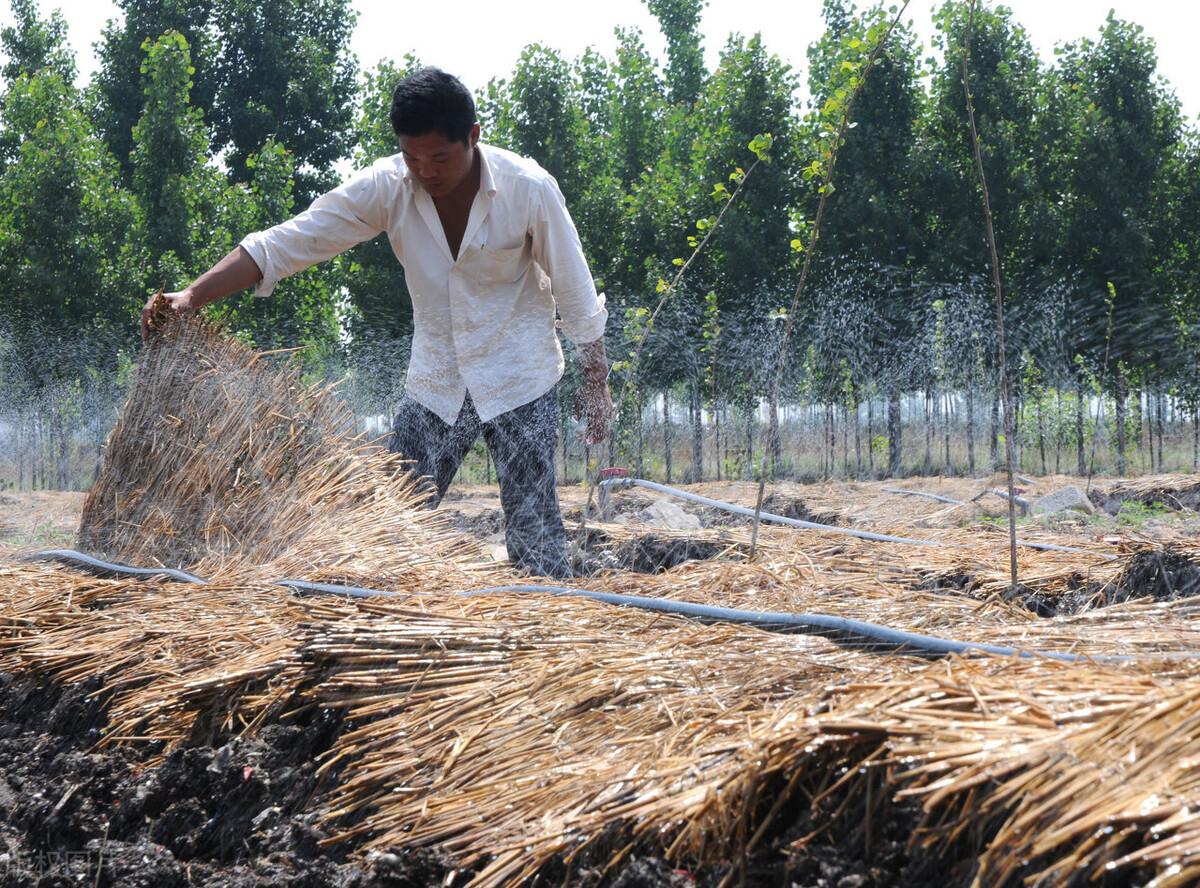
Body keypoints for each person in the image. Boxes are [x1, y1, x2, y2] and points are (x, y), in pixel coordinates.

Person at [141, 67, 612, 579]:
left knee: (535, 539)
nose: (426, 173)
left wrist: (596, 377)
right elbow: (291, 241)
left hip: (521, 378)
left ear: (473, 137)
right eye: (412, 158)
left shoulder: (528, 189)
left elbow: (575, 287)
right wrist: (192, 295)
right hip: (438, 383)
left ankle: (542, 633)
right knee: (384, 525)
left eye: (439, 158)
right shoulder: (389, 187)